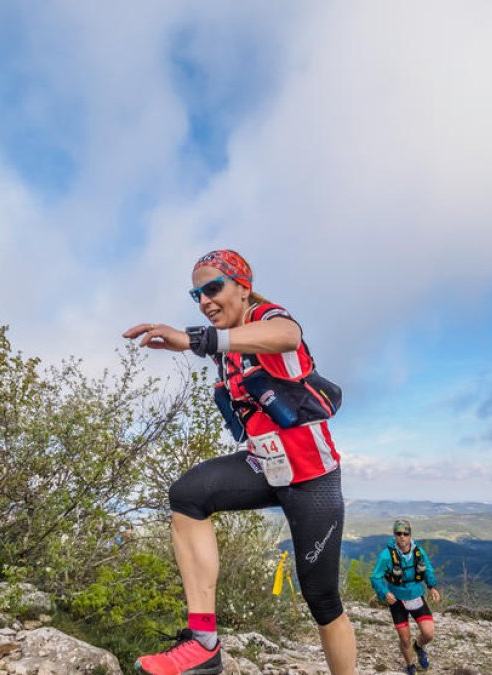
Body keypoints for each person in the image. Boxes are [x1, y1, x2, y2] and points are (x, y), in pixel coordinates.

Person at [123, 249, 357, 675]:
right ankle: (204, 644)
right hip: (265, 466)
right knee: (187, 496)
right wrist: (180, 340)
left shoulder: (266, 318)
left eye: (213, 288)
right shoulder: (225, 345)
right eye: (196, 294)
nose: (204, 301)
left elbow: (286, 335)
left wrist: (195, 338)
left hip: (311, 480)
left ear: (243, 287)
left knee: (322, 601)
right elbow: (217, 349)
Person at [370, 520, 442, 674]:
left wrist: (432, 587)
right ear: (394, 535)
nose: (402, 537)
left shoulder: (418, 552)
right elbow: (375, 577)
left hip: (416, 596)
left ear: (410, 535)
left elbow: (427, 569)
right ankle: (410, 665)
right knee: (404, 639)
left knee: (428, 633)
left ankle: (419, 646)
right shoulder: (386, 556)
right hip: (397, 600)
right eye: (398, 533)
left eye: (405, 533)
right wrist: (384, 593)